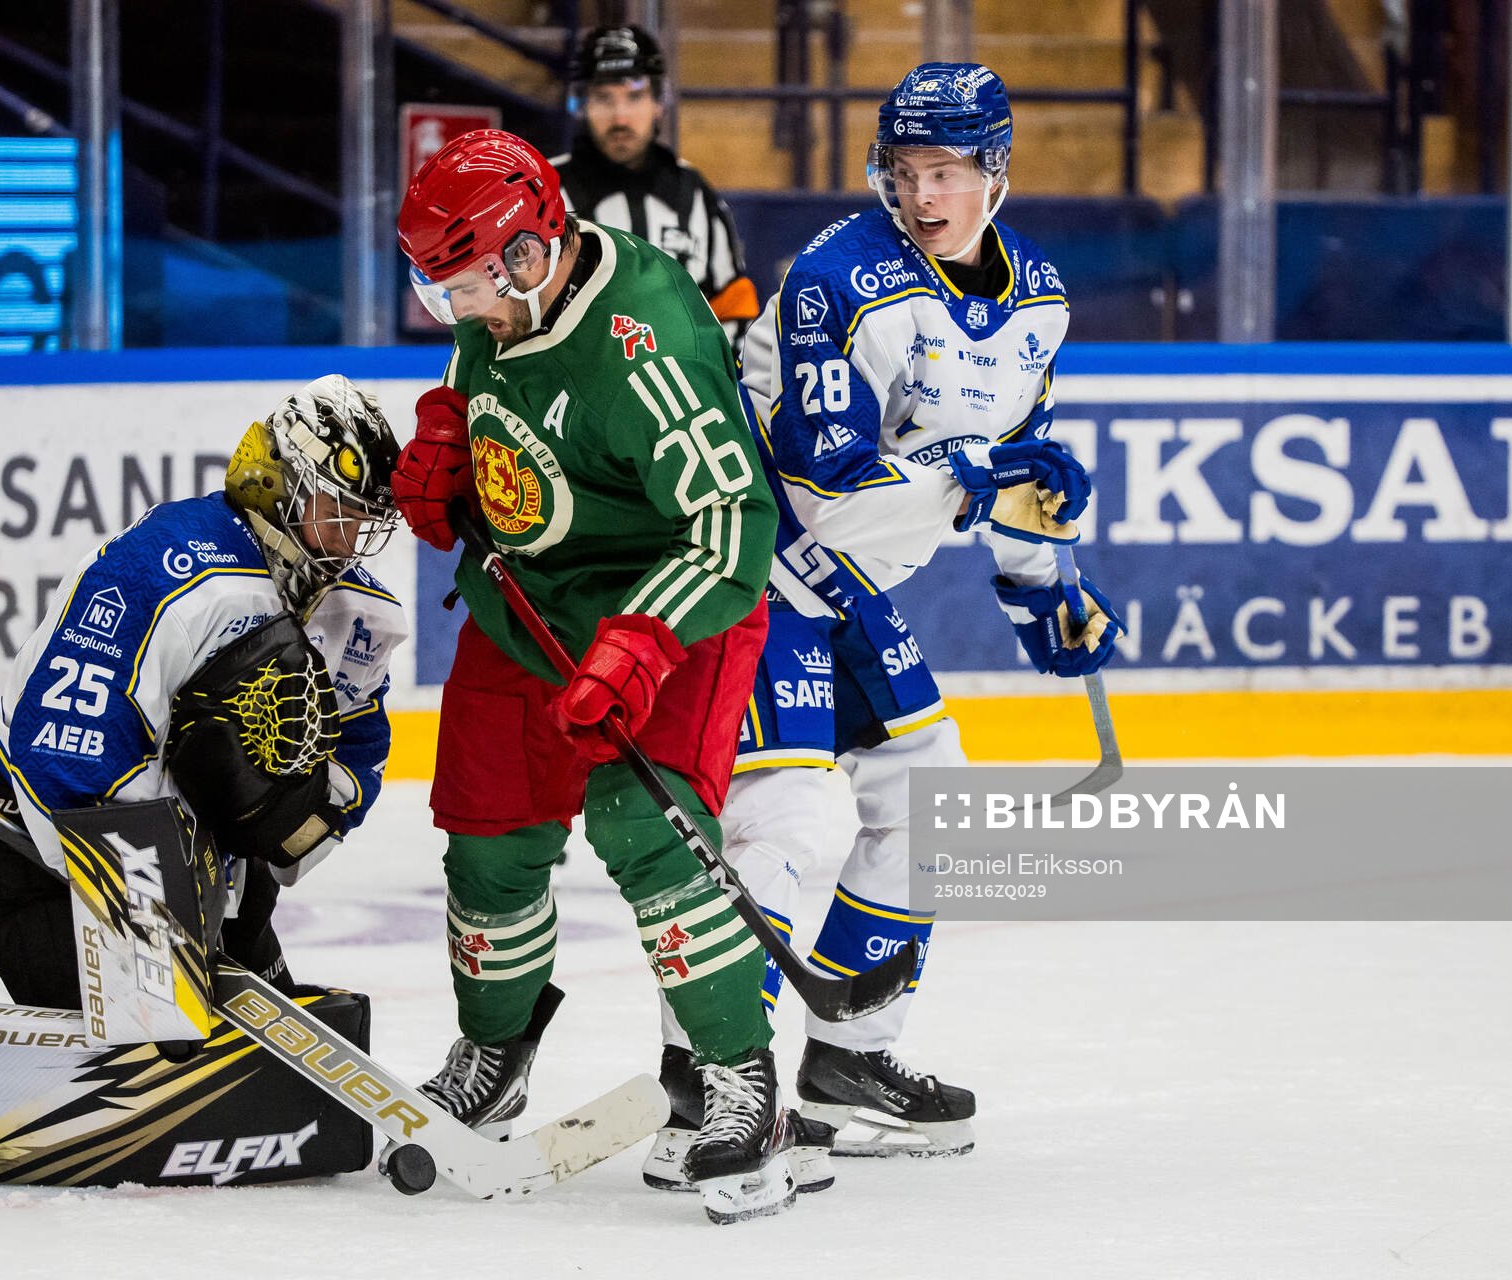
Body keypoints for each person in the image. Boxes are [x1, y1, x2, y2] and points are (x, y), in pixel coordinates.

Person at [645, 62, 1125, 1175]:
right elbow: (824, 486)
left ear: (996, 172)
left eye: (948, 171)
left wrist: (1046, 587)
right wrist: (980, 475)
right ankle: (711, 1085)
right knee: (790, 816)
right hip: (750, 561)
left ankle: (850, 1053)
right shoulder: (838, 277)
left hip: (845, 584)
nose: (923, 195)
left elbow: (1018, 475)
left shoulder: (1039, 300)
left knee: (931, 794)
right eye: (905, 170)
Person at [393, 128, 802, 1224]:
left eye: (465, 286)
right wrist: (449, 430)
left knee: (645, 829)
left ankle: (741, 1082)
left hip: (671, 612)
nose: (458, 310)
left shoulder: (647, 342)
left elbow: (733, 526)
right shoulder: (507, 292)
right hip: (526, 607)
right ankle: (495, 1051)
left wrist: (637, 642)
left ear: (530, 256)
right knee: (485, 832)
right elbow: (482, 373)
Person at [0, 373, 407, 1009]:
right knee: (168, 1048)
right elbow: (64, 745)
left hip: (197, 863)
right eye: (335, 515)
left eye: (363, 524)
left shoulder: (356, 612)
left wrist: (290, 818)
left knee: (248, 1062)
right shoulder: (168, 565)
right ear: (280, 483)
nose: (349, 545)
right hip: (32, 855)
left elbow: (358, 746)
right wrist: (163, 918)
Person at [552, 24, 760, 346]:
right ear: (582, 104)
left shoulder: (693, 193)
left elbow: (733, 306)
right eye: (604, 98)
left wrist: (712, 377)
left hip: (684, 391)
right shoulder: (545, 191)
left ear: (658, 102)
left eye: (635, 97)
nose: (620, 117)